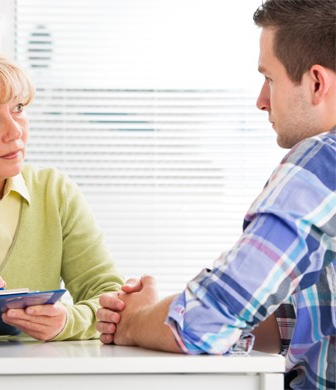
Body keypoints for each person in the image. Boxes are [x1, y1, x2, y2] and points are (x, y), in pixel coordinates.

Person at [96, 1, 336, 389]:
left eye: (270, 79)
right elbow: (315, 319)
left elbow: (203, 324)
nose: (261, 99)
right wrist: (154, 312)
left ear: (316, 83)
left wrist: (135, 322)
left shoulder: (322, 162)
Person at [0, 34, 123, 341]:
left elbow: (110, 299)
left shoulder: (55, 193)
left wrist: (67, 321)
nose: (15, 131)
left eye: (17, 108)